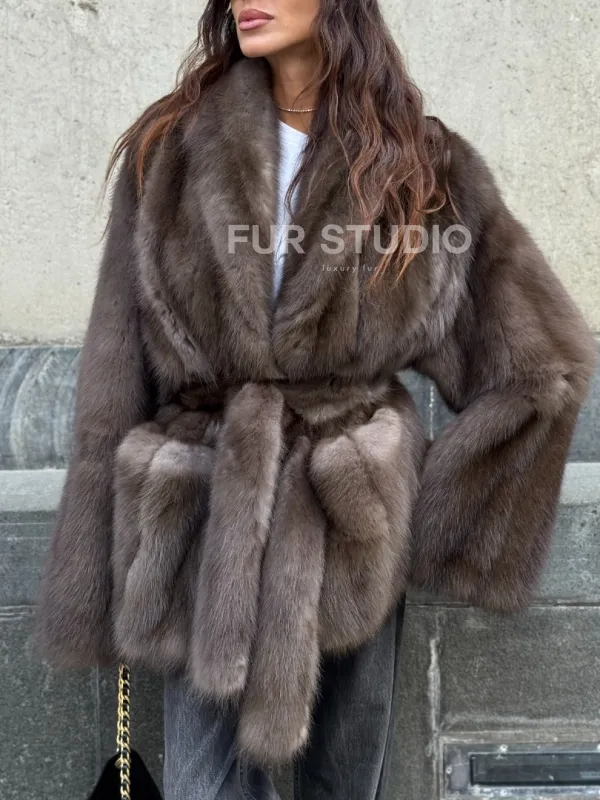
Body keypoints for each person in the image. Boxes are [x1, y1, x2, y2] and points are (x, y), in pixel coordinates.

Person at [36, 1, 596, 799]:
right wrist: (95, 574)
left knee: (343, 782)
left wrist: (427, 516)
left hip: (348, 528)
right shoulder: (170, 150)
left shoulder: (419, 170)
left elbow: (544, 368)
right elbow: (112, 377)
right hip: (202, 522)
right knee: (202, 788)